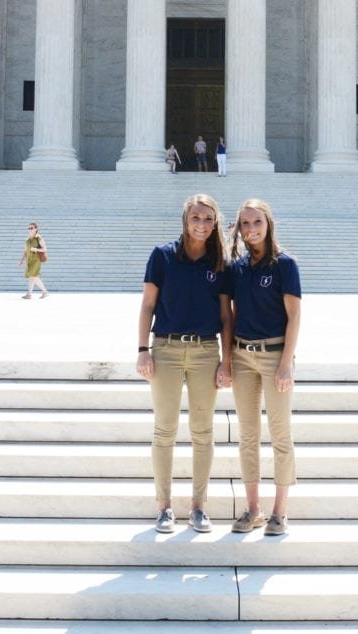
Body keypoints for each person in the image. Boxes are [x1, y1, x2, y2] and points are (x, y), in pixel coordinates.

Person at [137, 194, 232, 534]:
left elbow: (226, 316)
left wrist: (226, 361)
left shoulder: (220, 262)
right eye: (196, 217)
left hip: (206, 351)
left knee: (203, 432)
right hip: (166, 349)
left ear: (215, 223)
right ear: (185, 219)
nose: (201, 224)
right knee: (164, 430)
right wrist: (142, 349)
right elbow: (148, 305)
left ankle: (198, 507)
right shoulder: (162, 256)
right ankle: (163, 507)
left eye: (208, 218)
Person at [225, 199, 300, 537]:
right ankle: (253, 509)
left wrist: (286, 363)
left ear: (269, 223)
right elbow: (231, 315)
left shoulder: (285, 264)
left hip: (274, 354)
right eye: (245, 223)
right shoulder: (237, 268)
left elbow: (294, 315)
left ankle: (279, 513)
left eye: (257, 222)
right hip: (243, 355)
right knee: (248, 435)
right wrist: (227, 360)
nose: (251, 229)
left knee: (280, 433)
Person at [18, 222, 49, 299]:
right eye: (29, 228)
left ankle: (44, 291)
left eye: (31, 228)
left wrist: (36, 249)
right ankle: (29, 294)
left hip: (36, 260)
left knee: (34, 276)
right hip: (29, 260)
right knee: (32, 277)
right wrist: (21, 260)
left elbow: (45, 249)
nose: (30, 229)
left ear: (36, 229)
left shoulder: (39, 238)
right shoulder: (27, 239)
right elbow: (25, 251)